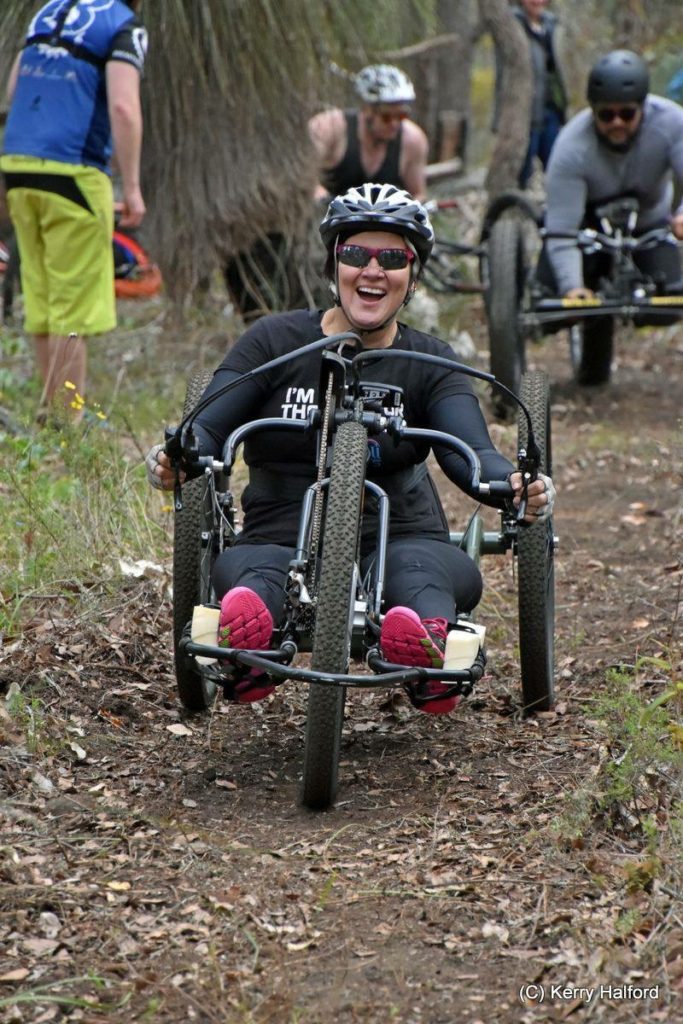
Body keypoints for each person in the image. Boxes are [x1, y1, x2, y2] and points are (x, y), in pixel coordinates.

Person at [146, 183, 555, 715]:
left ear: (412, 275)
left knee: (421, 576)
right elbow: (209, 426)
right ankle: (248, 646)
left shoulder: (432, 360)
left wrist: (512, 486)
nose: (372, 270)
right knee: (254, 576)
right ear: (333, 262)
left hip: (404, 529)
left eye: (392, 258)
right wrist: (180, 456)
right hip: (277, 528)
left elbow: (471, 454)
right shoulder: (273, 341)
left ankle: (424, 648)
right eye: (356, 254)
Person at [0, 0, 148, 420]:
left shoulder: (47, 12)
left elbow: (16, 88)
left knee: (43, 297)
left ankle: (50, 411)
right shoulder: (123, 25)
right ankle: (68, 426)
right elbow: (123, 106)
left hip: (18, 165)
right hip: (73, 171)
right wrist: (132, 187)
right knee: (72, 310)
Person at [538, 50, 683, 303]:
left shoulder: (671, 124)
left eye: (626, 114)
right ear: (593, 111)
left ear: (642, 107)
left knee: (668, 303)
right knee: (553, 304)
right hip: (588, 233)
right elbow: (561, 229)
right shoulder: (570, 147)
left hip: (650, 228)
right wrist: (571, 286)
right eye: (606, 115)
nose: (617, 122)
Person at [309, 65, 429, 201]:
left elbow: (418, 194)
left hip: (383, 220)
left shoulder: (412, 140)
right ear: (367, 110)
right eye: (386, 117)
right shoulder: (330, 127)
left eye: (401, 116)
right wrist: (325, 201)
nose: (395, 124)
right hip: (328, 217)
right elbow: (305, 180)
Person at [493, 0, 567, 189]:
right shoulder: (513, 26)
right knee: (522, 168)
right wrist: (499, 118)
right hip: (524, 114)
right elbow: (502, 76)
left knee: (557, 163)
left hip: (550, 111)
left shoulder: (553, 26)